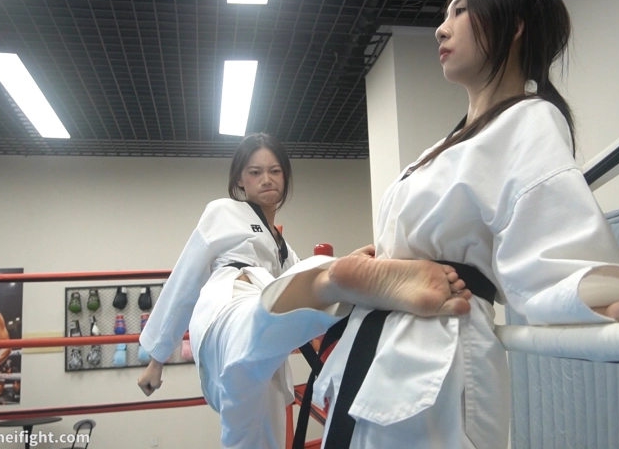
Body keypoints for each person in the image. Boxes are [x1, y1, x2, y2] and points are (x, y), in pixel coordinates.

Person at [249, 0, 619, 448]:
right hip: (384, 348)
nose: (441, 28)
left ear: (513, 27)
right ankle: (356, 279)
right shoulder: (440, 149)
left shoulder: (529, 121)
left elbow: (552, 246)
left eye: (460, 10)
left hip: (438, 345)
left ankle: (352, 280)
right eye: (444, 14)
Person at [136, 133, 471, 448]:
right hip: (229, 305)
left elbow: (297, 279)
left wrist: (346, 264)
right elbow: (185, 278)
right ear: (240, 180)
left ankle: (339, 279)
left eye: (274, 171)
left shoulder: (282, 247)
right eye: (255, 172)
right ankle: (336, 279)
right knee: (256, 324)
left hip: (262, 354)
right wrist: (157, 358)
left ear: (285, 177)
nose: (266, 179)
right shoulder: (222, 211)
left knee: (249, 433)